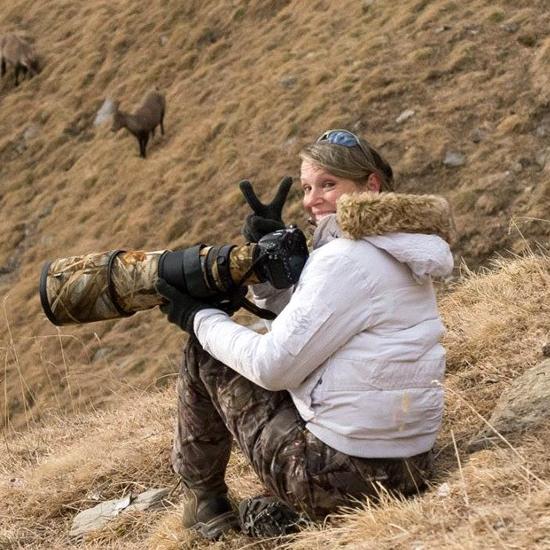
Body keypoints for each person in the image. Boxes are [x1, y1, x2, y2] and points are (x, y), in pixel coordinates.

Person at [156, 129, 454, 540]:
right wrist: (272, 273)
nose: (312, 200)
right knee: (235, 342)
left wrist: (198, 317)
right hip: (409, 464)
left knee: (205, 352)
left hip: (335, 479)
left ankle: (205, 504)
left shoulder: (345, 258)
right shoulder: (400, 247)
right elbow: (315, 325)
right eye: (308, 187)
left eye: (329, 185)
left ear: (371, 184)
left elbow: (272, 367)